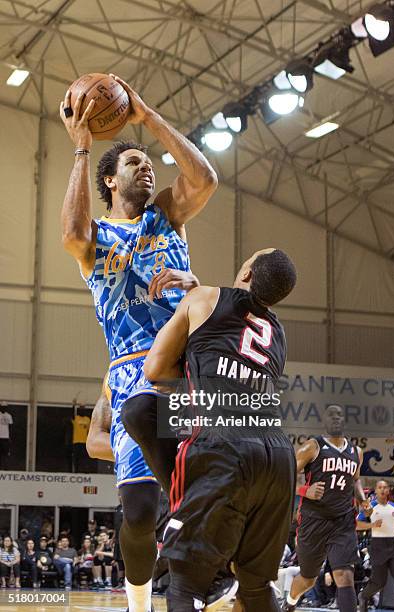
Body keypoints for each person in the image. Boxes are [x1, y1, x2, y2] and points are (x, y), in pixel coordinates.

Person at [60, 72, 218, 612]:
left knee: (205, 489)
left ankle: (209, 583)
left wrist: (147, 117)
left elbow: (206, 179)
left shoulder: (168, 216)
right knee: (139, 510)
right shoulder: (99, 238)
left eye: (149, 164)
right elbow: (72, 235)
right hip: (130, 373)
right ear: (110, 181)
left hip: (187, 368)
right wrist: (83, 149)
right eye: (134, 163)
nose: (147, 167)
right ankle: (137, 600)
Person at [134, 248, 298, 612]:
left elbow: (155, 370)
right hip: (278, 458)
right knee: (256, 588)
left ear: (249, 272)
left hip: (226, 447)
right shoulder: (280, 334)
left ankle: (201, 541)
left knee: (186, 583)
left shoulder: (204, 296)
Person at [282, 404, 370, 612]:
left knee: (344, 575)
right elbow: (285, 475)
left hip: (342, 520)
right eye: (331, 415)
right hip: (314, 520)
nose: (336, 418)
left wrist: (362, 499)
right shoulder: (313, 446)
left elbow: (355, 480)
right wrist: (305, 490)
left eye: (340, 415)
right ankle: (291, 601)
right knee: (308, 579)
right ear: (324, 421)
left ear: (344, 420)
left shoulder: (356, 452)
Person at [357, 479, 394, 610]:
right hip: (377, 546)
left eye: (385, 487)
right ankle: (363, 595)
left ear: (388, 490)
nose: (383, 490)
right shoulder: (370, 507)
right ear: (376, 490)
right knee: (379, 582)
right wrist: (372, 525)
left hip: (393, 545)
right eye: (380, 487)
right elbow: (356, 525)